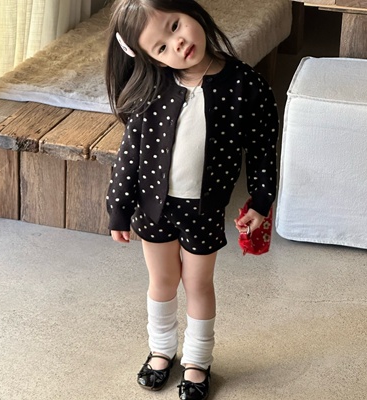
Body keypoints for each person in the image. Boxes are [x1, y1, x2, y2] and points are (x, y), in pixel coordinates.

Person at [105, 0, 279, 399]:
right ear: (150, 58)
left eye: (175, 25)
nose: (178, 44)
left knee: (198, 284)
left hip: (203, 210)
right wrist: (118, 208)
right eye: (161, 47)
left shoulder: (246, 85)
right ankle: (161, 351)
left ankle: (198, 360)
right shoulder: (152, 88)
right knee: (162, 281)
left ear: (190, 10)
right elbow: (130, 154)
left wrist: (260, 201)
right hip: (153, 207)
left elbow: (262, 149)